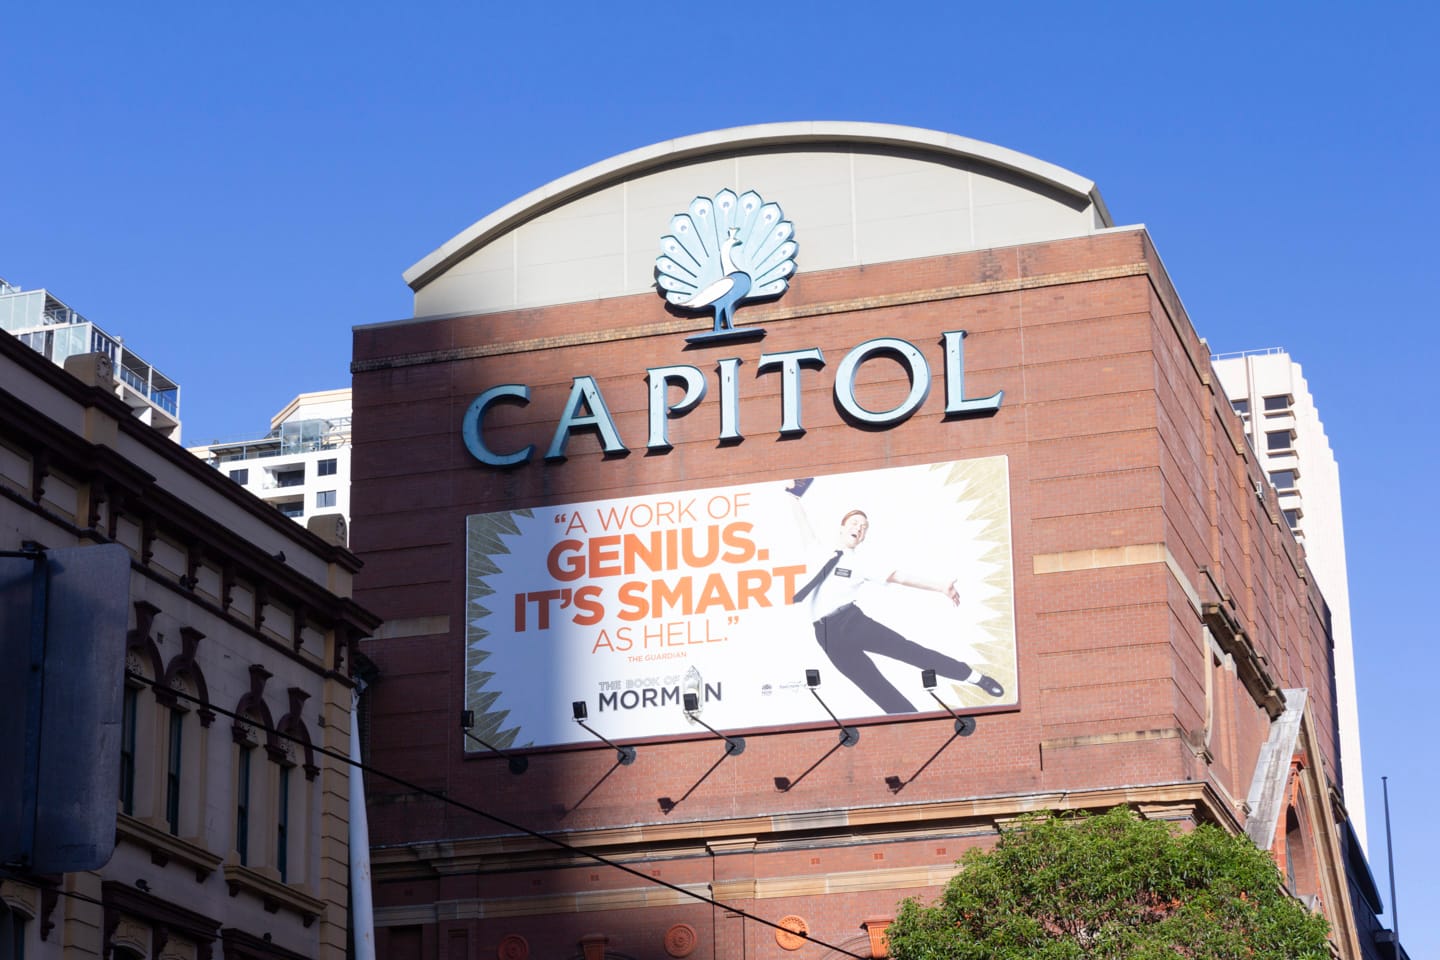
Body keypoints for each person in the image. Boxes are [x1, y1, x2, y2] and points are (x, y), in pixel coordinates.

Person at [785, 477, 1004, 714]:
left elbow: (900, 577)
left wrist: (940, 586)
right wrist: (793, 496)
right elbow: (801, 519)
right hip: (825, 635)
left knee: (910, 652)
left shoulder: (860, 562)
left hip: (851, 622)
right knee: (873, 687)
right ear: (842, 526)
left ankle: (974, 677)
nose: (859, 528)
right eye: (855, 523)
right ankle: (913, 725)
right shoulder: (816, 550)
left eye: (864, 527)